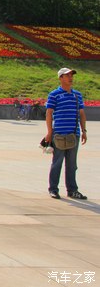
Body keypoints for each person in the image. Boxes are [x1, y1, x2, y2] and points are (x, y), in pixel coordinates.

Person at [45, 68, 88, 200]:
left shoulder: (77, 95)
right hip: (59, 134)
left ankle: (72, 190)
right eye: (67, 75)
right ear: (61, 78)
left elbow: (81, 113)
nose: (70, 77)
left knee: (72, 165)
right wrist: (49, 132)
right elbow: (49, 113)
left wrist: (84, 130)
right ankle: (53, 189)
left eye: (71, 75)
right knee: (57, 163)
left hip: (73, 134)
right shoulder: (54, 94)